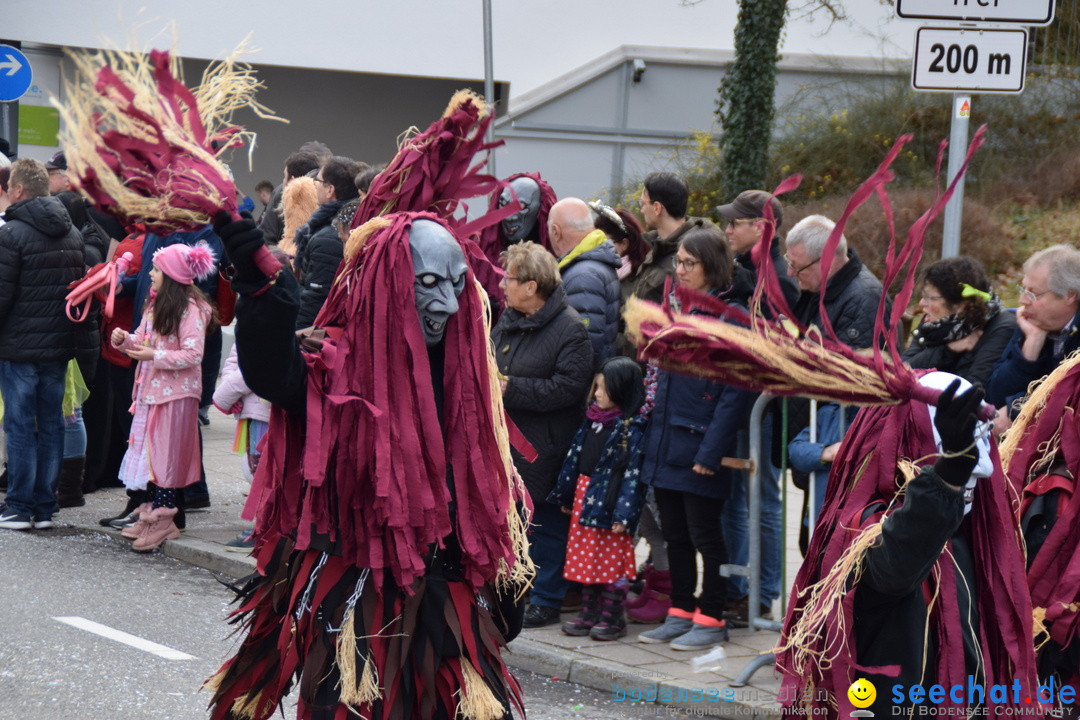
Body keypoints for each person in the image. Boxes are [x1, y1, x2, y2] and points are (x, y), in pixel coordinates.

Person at [776, 374, 1040, 719]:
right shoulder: (861, 528)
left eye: (979, 440)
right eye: (957, 441)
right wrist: (948, 476)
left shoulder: (976, 532)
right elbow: (897, 561)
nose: (983, 467)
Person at [638, 225, 754, 650]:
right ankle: (681, 610)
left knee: (706, 535)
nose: (680, 269)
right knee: (676, 534)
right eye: (679, 262)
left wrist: (711, 450)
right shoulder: (680, 309)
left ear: (712, 266)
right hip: (667, 442)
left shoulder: (731, 317)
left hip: (699, 444)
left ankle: (712, 616)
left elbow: (735, 393)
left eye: (689, 263)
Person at [491, 241, 594, 628]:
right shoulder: (509, 319)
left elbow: (569, 388)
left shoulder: (571, 329)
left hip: (545, 444)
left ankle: (547, 597)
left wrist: (509, 388)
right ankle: (515, 588)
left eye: (510, 278)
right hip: (505, 440)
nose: (502, 285)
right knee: (513, 518)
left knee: (544, 523)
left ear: (532, 286)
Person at [110, 243, 216, 552]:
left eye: (156, 269)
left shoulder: (191, 309)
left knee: (166, 458)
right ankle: (153, 511)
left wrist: (153, 354)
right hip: (152, 392)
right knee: (153, 457)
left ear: (170, 274)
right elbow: (142, 340)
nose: (151, 274)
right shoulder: (155, 306)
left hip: (176, 395)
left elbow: (193, 354)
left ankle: (165, 518)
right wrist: (124, 340)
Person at [0, 158, 86, 531]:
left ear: (17, 190)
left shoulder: (11, 234)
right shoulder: (73, 233)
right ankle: (44, 507)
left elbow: (2, 295)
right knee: (51, 423)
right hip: (58, 345)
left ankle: (19, 506)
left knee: (19, 425)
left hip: (18, 346)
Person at [547, 356, 648, 641]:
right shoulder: (591, 420)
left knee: (611, 560)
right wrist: (566, 494)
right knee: (585, 558)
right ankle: (589, 612)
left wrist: (623, 516)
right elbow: (574, 460)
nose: (597, 394)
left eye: (605, 388)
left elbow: (631, 476)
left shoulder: (630, 428)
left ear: (624, 391)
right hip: (584, 497)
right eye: (597, 387)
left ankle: (613, 617)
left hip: (611, 502)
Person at [986, 244, 1080, 423]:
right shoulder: (1033, 324)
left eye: (1033, 293)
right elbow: (993, 398)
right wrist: (1031, 347)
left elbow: (1070, 399)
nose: (1022, 301)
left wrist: (1017, 410)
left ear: (1069, 296)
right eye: (1023, 290)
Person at [903, 255, 1015, 388]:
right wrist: (947, 351)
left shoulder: (1001, 328)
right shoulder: (934, 323)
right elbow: (900, 372)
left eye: (930, 298)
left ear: (960, 305)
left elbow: (974, 389)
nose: (922, 303)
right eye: (923, 296)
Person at [547, 197, 621, 370]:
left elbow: (584, 346)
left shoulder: (583, 276)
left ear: (556, 232)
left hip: (578, 388)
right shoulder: (590, 264)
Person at [296, 156, 363, 328]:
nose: (315, 184)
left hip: (316, 336)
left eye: (318, 180)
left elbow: (316, 298)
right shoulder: (341, 225)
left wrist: (297, 340)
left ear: (329, 190)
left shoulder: (329, 237)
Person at [632, 172, 717, 304]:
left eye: (642, 203)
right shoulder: (658, 246)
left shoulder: (694, 254)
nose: (641, 210)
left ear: (657, 208)